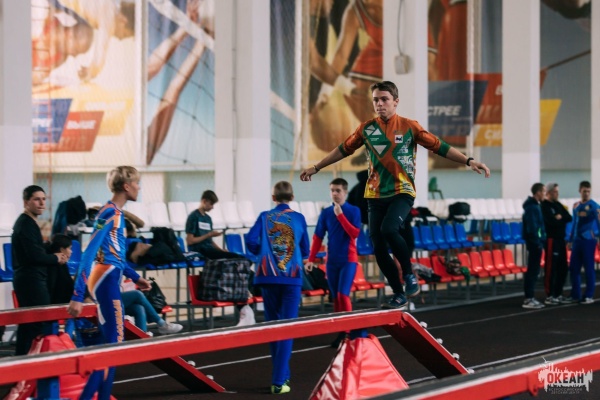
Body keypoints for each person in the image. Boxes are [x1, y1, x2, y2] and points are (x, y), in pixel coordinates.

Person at [300, 81, 490, 309]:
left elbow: (439, 146)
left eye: (384, 99)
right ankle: (399, 293)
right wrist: (316, 167)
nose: (379, 104)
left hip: (402, 191)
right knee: (378, 248)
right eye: (376, 100)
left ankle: (408, 273)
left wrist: (469, 161)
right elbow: (342, 149)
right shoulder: (367, 129)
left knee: (389, 229)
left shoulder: (410, 127)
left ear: (395, 102)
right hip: (375, 194)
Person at [67, 166, 151, 400]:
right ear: (126, 186)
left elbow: (116, 255)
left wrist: (135, 277)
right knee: (113, 347)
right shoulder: (109, 213)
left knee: (111, 347)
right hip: (104, 278)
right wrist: (77, 295)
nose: (139, 187)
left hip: (108, 276)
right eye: (137, 183)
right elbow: (88, 253)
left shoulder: (115, 213)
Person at [245, 181, 310, 395]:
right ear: (292, 197)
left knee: (272, 327)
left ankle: (282, 375)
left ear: (273, 198)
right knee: (288, 328)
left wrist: (261, 251)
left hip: (267, 276)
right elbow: (305, 249)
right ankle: (279, 381)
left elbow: (250, 240)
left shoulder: (265, 216)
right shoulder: (299, 218)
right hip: (291, 277)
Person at [11, 185, 69, 355]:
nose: (42, 203)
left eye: (44, 199)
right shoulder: (26, 224)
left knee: (29, 325)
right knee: (37, 323)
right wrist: (55, 258)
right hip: (30, 280)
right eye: (37, 199)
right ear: (26, 202)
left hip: (30, 279)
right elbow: (34, 256)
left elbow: (35, 251)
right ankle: (28, 363)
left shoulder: (29, 223)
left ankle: (22, 363)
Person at [306, 178, 361, 347]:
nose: (335, 193)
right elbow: (318, 237)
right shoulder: (326, 213)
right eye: (332, 190)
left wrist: (340, 216)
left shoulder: (353, 211)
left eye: (338, 190)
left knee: (343, 295)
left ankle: (348, 331)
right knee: (336, 297)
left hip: (348, 259)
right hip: (332, 261)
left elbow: (355, 233)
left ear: (345, 192)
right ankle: (341, 332)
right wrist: (311, 259)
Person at [567, 180, 600, 305]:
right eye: (584, 191)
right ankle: (575, 294)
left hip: (588, 240)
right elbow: (574, 224)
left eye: (588, 191)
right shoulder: (575, 206)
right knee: (573, 268)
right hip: (577, 241)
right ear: (579, 190)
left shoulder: (595, 206)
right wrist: (570, 240)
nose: (586, 193)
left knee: (588, 268)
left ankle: (589, 295)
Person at [540, 182, 572, 305]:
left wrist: (559, 218)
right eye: (555, 192)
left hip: (561, 239)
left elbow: (569, 217)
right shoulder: (544, 206)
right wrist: (557, 219)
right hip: (551, 240)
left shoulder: (558, 205)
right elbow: (551, 222)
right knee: (551, 268)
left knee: (563, 267)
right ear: (548, 193)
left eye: (557, 192)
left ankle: (558, 293)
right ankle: (550, 295)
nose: (557, 194)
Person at [185, 190, 239, 259]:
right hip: (199, 250)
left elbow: (209, 241)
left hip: (209, 249)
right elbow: (190, 241)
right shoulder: (194, 217)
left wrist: (221, 250)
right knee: (230, 258)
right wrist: (208, 235)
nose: (212, 207)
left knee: (235, 257)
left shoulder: (208, 219)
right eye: (211, 204)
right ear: (204, 201)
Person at [522, 183, 547, 309]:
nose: (545, 194)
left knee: (534, 270)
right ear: (538, 192)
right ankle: (529, 298)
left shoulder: (535, 206)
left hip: (535, 242)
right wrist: (538, 241)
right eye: (544, 192)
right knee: (532, 271)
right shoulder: (532, 208)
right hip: (534, 243)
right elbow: (533, 228)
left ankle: (530, 297)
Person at [46, 234, 75, 305]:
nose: (71, 251)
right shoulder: (58, 267)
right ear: (62, 250)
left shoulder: (57, 264)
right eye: (70, 248)